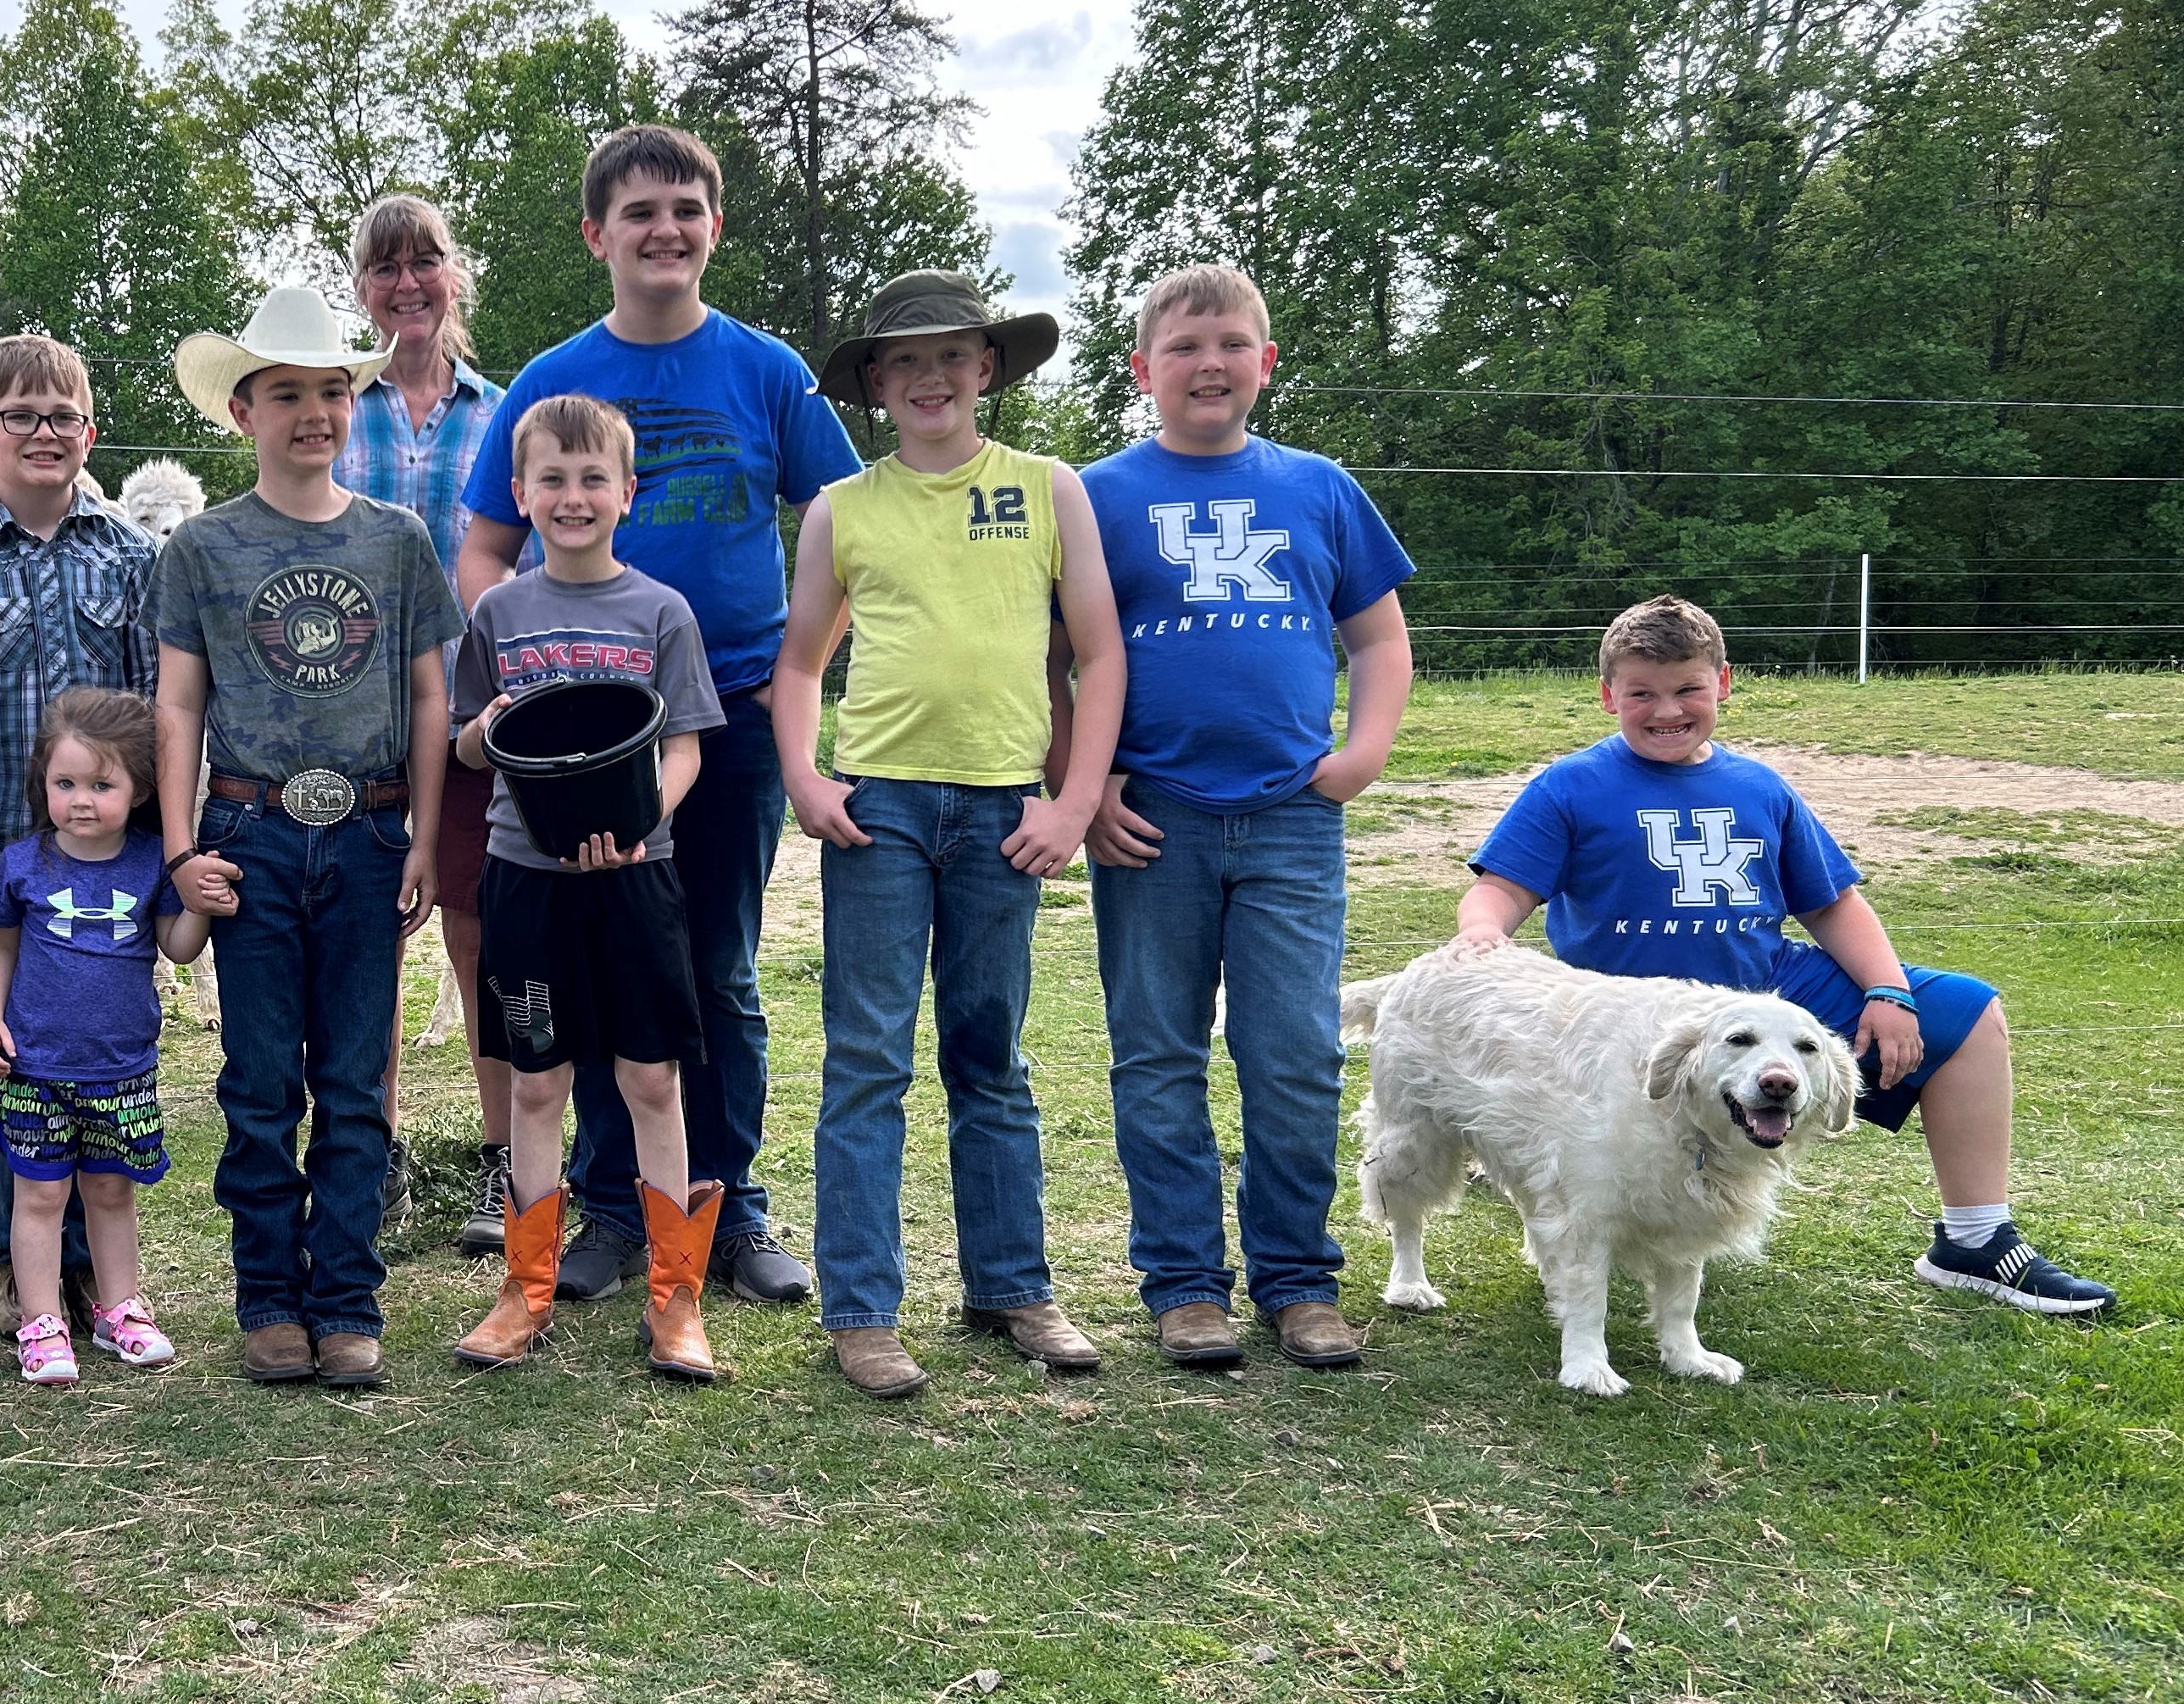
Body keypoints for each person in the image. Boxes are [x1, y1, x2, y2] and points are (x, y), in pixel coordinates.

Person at [455, 125, 861, 1310]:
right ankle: (604, 1211)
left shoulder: (768, 373)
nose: (665, 229)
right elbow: (483, 547)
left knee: (714, 970)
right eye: (639, 213)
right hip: (572, 740)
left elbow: (842, 533)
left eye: (686, 208)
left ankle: (728, 1211)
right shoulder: (547, 384)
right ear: (598, 236)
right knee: (584, 971)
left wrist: (796, 669)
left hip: (719, 717)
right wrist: (528, 678)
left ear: (713, 227)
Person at [1454, 596, 2115, 1318]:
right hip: (1631, 1015)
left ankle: (1975, 1240)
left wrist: (1890, 994)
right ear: (1609, 693)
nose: (1665, 709)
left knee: (1969, 1014)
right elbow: (1504, 890)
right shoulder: (1570, 785)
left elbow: (1831, 904)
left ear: (1724, 685)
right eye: (1642, 692)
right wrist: (1482, 934)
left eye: (1687, 689)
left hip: (1763, 989)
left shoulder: (1759, 787)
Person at [777, 275, 1128, 1399]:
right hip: (878, 811)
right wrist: (804, 777)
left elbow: (1098, 653)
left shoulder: (1048, 490)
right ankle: (863, 1311)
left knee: (993, 1057)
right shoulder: (844, 507)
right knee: (867, 1059)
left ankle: (1012, 1288)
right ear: (876, 385)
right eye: (904, 362)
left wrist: (1071, 801)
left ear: (988, 367)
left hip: (1002, 812)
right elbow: (798, 663)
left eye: (952, 356)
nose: (931, 377)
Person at [1071, 263, 1413, 1372]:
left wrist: (1360, 753)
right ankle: (1182, 1285)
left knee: (1294, 1054)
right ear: (1142, 371)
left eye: (1229, 344)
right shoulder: (1097, 497)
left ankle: (1297, 1281)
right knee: (1157, 1055)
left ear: (1265, 363)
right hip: (1151, 821)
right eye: (1183, 346)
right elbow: (1049, 658)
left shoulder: (1318, 488)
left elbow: (1377, 638)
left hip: (1289, 823)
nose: (1207, 362)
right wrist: (1086, 784)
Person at [157, 285, 463, 1390]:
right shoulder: (201, 548)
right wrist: (179, 846)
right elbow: (179, 704)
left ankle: (347, 1301)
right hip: (251, 829)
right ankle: (268, 1301)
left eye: (332, 390)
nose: (314, 412)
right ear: (243, 411)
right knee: (255, 1082)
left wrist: (424, 831)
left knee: (353, 1079)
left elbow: (430, 696)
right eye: (287, 392)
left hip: (373, 827)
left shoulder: (398, 543)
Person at [0, 333, 164, 1371]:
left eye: (63, 415)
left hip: (110, 871)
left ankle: (104, 1273)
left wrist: (152, 853)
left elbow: (158, 717)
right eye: (20, 416)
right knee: (11, 1061)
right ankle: (18, 1263)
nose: (44, 432)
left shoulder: (134, 556)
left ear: (90, 430)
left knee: (105, 1053)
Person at [448, 397, 728, 1379]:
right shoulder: (498, 611)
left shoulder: (661, 612)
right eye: (552, 481)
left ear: (626, 492)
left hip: (636, 880)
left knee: (653, 1078)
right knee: (538, 1082)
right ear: (519, 494)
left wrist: (649, 820)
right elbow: (466, 743)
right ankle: (524, 1294)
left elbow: (687, 742)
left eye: (592, 479)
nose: (573, 497)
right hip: (525, 877)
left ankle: (675, 1300)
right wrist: (489, 727)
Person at [341, 193, 508, 1252]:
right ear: (359, 288)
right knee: (370, 942)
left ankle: (506, 1158)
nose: (408, 282)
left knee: (479, 937)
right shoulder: (333, 408)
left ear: (456, 276)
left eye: (426, 262)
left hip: (476, 718)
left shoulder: (505, 410)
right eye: (385, 266)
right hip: (355, 727)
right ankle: (376, 1152)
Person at [0, 689, 209, 1385]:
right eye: (65, 783)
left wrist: (201, 904)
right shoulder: (22, 865)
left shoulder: (150, 864)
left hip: (122, 1070)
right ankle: (42, 1323)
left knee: (111, 1191)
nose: (81, 800)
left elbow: (179, 946)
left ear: (138, 790)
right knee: (39, 1197)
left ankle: (120, 1310)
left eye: (102, 785)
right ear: (42, 782)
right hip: (36, 1069)